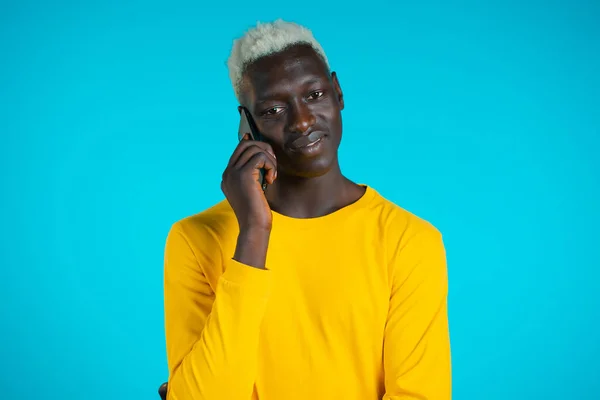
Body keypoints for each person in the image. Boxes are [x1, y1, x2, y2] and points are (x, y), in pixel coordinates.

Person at [162, 19, 451, 400]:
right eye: (273, 110)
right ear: (246, 126)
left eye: (314, 95)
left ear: (337, 91)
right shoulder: (195, 240)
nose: (301, 121)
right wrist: (253, 232)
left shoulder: (409, 242)